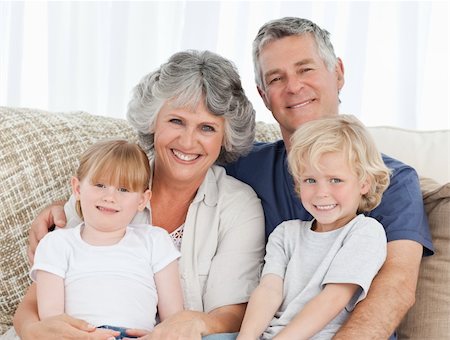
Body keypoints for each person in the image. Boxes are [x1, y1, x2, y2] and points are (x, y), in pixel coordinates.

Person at [13, 50, 265, 340]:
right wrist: (35, 332)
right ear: (153, 122)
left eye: (207, 128)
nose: (187, 141)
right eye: (176, 121)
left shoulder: (237, 206)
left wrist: (193, 324)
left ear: (225, 137)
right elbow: (32, 304)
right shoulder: (105, 182)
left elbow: (233, 311)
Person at [224, 17, 433, 340]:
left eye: (306, 69)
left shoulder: (393, 180)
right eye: (277, 78)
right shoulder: (244, 165)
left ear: (338, 73)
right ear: (263, 95)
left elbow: (395, 289)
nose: (293, 86)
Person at [237, 114, 390, 340]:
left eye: (335, 180)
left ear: (364, 183)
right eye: (310, 180)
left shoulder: (365, 232)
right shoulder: (285, 233)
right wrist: (246, 337)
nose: (321, 192)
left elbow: (334, 299)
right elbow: (269, 290)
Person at [31, 139, 183, 339]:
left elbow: (174, 318)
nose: (110, 197)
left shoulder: (154, 241)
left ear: (142, 200)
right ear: (77, 189)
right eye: (100, 185)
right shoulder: (57, 244)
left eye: (123, 189)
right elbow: (52, 321)